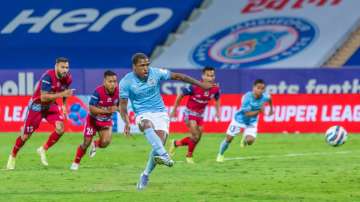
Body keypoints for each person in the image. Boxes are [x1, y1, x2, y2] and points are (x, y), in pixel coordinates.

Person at [119, 53, 212, 190]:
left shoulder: (156, 73)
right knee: (146, 125)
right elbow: (122, 105)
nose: (146, 68)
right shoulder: (126, 82)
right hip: (142, 114)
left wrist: (200, 84)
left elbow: (179, 76)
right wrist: (126, 122)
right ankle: (165, 156)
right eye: (142, 65)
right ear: (134, 67)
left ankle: (145, 174)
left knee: (158, 144)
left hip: (160, 113)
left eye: (147, 65)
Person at [6, 57, 73, 170]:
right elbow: (43, 97)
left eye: (67, 67)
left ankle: (43, 149)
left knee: (60, 128)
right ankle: (12, 155)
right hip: (37, 106)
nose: (65, 70)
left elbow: (65, 92)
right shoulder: (48, 77)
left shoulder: (68, 78)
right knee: (25, 136)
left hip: (51, 106)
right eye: (62, 67)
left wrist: (64, 105)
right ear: (56, 66)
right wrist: (61, 94)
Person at [169, 66, 220, 163]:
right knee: (195, 135)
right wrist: (174, 110)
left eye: (212, 76)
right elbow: (180, 95)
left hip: (200, 115)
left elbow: (217, 99)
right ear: (203, 76)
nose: (210, 78)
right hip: (189, 113)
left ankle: (176, 143)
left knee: (197, 137)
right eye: (208, 76)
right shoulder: (194, 86)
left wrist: (217, 112)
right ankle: (189, 156)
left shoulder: (215, 88)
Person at [70, 70, 119, 170]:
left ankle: (95, 144)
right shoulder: (98, 92)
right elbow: (91, 108)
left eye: (115, 81)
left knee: (105, 142)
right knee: (85, 143)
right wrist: (107, 111)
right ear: (104, 81)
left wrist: (120, 111)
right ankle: (76, 162)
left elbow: (120, 105)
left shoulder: (119, 92)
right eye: (110, 81)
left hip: (105, 121)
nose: (113, 84)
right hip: (93, 120)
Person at [216, 79, 273, 163]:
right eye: (258, 88)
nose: (260, 90)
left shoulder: (265, 96)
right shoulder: (247, 97)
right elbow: (247, 114)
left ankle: (245, 139)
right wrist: (259, 111)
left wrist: (271, 109)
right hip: (239, 120)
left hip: (251, 122)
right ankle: (220, 154)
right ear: (253, 88)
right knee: (229, 139)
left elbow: (270, 99)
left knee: (250, 141)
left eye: (262, 88)